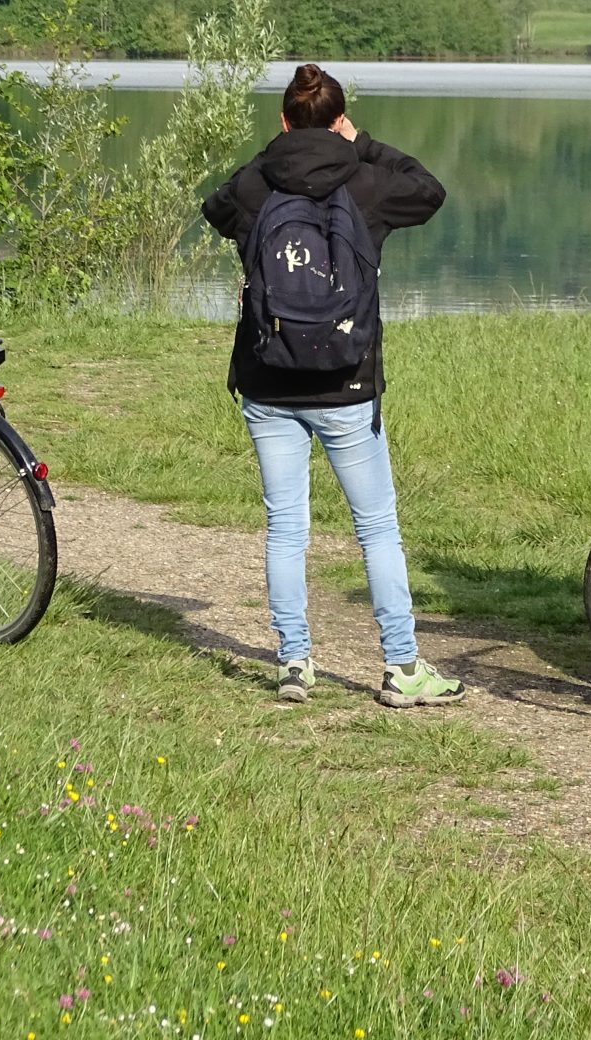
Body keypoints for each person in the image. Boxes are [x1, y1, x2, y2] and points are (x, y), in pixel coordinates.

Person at [201, 63, 464, 709]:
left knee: (286, 528)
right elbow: (429, 191)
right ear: (340, 119)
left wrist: (276, 150)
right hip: (347, 383)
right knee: (376, 527)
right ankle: (401, 669)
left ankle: (294, 664)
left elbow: (216, 206)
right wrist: (361, 143)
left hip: (268, 380)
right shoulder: (367, 182)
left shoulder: (258, 187)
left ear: (285, 121)